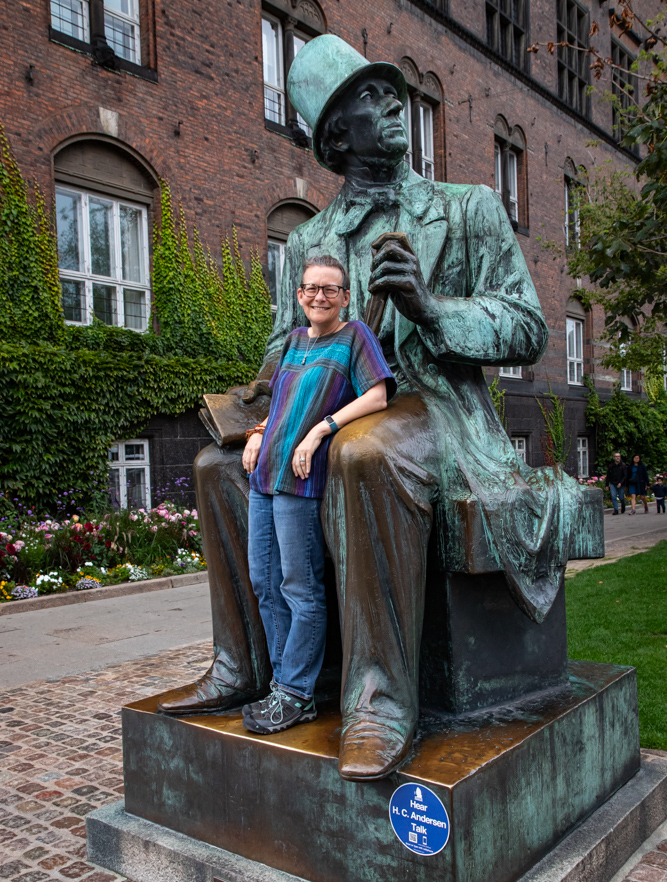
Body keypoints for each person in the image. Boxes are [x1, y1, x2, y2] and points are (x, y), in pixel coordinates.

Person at [158, 35, 600, 782]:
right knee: (218, 466)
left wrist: (430, 310)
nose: (391, 104)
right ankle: (247, 667)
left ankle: (377, 701)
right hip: (322, 405)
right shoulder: (308, 241)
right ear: (335, 134)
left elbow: (524, 324)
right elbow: (281, 339)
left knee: (365, 450)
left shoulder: (467, 210)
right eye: (368, 97)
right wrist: (262, 399)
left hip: (435, 410)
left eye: (390, 94)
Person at [240, 256, 395, 734]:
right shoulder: (293, 340)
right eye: (311, 289)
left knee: (300, 588)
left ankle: (296, 694)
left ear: (345, 296)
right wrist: (257, 432)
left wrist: (321, 431)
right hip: (265, 475)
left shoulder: (355, 337)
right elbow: (282, 402)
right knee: (265, 585)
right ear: (300, 295)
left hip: (301, 480)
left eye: (330, 289)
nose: (319, 296)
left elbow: (378, 395)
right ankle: (283, 685)